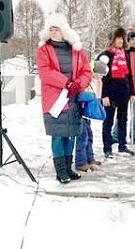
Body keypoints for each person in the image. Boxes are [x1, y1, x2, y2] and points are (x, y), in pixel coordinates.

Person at [36, 13, 92, 183]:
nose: (53, 32)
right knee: (58, 135)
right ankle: (60, 170)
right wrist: (67, 83)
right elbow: (45, 72)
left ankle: (68, 168)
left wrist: (78, 84)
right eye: (51, 29)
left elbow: (86, 72)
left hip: (73, 98)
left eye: (56, 29)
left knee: (71, 134)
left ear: (64, 31)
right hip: (55, 101)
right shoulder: (44, 50)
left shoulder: (77, 51)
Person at [97, 27, 135, 158]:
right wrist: (104, 95)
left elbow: (129, 75)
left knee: (123, 119)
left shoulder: (124, 54)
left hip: (123, 92)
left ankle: (122, 145)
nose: (120, 41)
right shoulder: (105, 55)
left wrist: (132, 92)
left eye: (122, 38)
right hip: (110, 93)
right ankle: (107, 148)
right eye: (117, 38)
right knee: (108, 121)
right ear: (112, 40)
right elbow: (99, 77)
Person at [112, 31, 135, 145]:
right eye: (133, 39)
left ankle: (134, 135)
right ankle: (116, 135)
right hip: (125, 86)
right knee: (122, 113)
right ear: (128, 41)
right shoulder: (123, 53)